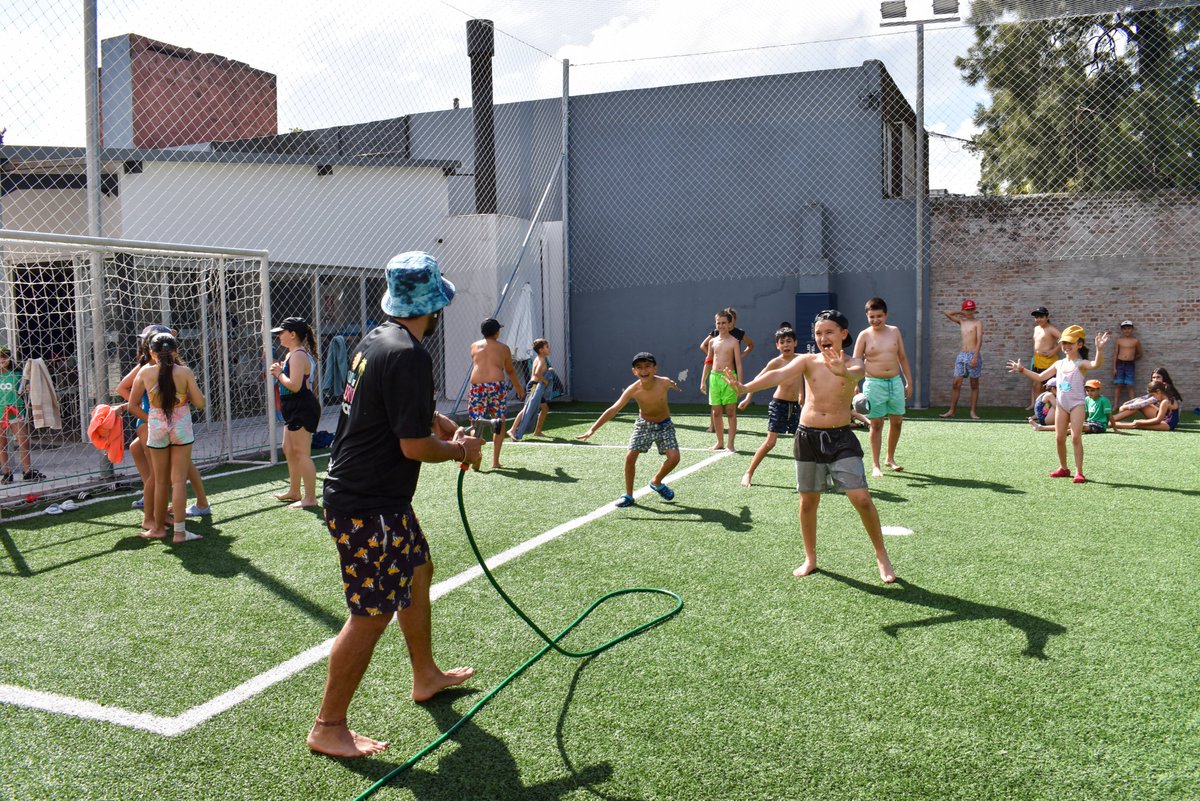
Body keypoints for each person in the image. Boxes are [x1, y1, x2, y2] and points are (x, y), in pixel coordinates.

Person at [309, 250, 483, 759]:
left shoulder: (378, 339)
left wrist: (444, 425)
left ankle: (425, 674)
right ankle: (328, 725)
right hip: (369, 505)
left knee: (419, 569)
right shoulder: (410, 353)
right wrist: (459, 449)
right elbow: (412, 447)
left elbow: (407, 410)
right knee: (370, 613)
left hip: (375, 499)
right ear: (435, 305)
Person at [724, 310, 896, 584]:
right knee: (808, 501)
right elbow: (778, 374)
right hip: (807, 437)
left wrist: (843, 372)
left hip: (840, 438)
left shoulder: (855, 364)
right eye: (818, 333)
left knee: (861, 499)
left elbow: (853, 377)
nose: (823, 337)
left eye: (829, 332)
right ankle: (810, 558)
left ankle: (881, 554)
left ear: (843, 334)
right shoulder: (807, 361)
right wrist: (747, 388)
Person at [116, 326, 212, 528]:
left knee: (161, 478)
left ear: (151, 349)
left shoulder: (147, 371)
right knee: (169, 479)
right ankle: (167, 524)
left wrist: (151, 416)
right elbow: (201, 403)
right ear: (175, 350)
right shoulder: (179, 371)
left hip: (156, 426)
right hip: (171, 426)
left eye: (146, 341)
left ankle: (158, 521)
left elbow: (130, 399)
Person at [576, 352, 682, 508]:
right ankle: (629, 496)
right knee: (630, 457)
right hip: (644, 425)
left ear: (655, 368)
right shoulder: (633, 389)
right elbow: (613, 409)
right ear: (634, 371)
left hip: (665, 425)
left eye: (647, 366)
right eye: (639, 367)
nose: (643, 370)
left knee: (674, 458)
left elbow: (673, 385)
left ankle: (656, 481)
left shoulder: (664, 382)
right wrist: (593, 429)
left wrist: (675, 386)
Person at [1008, 325, 1109, 483]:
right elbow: (1040, 377)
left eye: (1070, 343)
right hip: (1061, 405)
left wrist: (1100, 349)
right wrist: (1022, 370)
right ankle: (1063, 468)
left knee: (1076, 437)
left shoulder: (1081, 364)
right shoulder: (1059, 364)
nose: (1066, 346)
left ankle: (1079, 472)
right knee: (1059, 438)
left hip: (1076, 405)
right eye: (1064, 343)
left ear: (1079, 345)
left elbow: (1096, 364)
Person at [853, 297, 912, 477]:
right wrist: (855, 384)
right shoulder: (864, 335)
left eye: (879, 316)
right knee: (876, 424)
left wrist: (908, 381)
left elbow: (902, 357)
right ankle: (876, 465)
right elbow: (856, 361)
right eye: (872, 316)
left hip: (895, 382)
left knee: (897, 421)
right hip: (873, 383)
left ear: (886, 315)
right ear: (867, 316)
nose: (876, 320)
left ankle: (890, 458)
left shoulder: (894, 331)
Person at [739, 326, 802, 487]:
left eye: (789, 341)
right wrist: (747, 397)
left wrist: (802, 395)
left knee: (803, 442)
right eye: (782, 342)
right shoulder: (776, 362)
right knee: (770, 442)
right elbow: (757, 379)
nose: (786, 345)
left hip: (796, 406)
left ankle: (811, 477)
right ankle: (749, 472)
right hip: (779, 404)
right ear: (777, 345)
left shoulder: (802, 359)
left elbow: (803, 378)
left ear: (795, 342)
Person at [269, 317, 321, 509]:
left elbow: (296, 386)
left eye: (281, 333)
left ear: (292, 335)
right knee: (288, 449)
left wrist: (278, 373)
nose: (279, 336)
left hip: (302, 407)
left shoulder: (298, 354)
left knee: (301, 453)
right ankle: (294, 491)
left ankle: (310, 498)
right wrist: (282, 371)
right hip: (293, 407)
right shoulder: (292, 354)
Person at [467, 318, 524, 469]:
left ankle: (476, 456)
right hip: (495, 385)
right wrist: (518, 387)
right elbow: (510, 370)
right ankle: (495, 462)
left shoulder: (473, 346)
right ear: (497, 332)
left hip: (477, 385)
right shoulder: (504, 348)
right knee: (499, 421)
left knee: (476, 423)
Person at [0, 345, 47, 483]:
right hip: (0, 412)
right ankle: (6, 473)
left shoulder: (18, 374)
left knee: (23, 441)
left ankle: (27, 471)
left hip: (16, 410)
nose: (2, 360)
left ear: (9, 358)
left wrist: (28, 388)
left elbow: (25, 389)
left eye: (4, 357)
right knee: (2, 444)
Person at [700, 309, 744, 451]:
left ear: (729, 323)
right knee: (716, 412)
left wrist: (740, 384)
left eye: (724, 323)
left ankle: (730, 444)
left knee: (731, 411)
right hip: (714, 378)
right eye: (718, 323)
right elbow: (708, 361)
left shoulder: (734, 342)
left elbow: (738, 364)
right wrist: (703, 381)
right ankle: (720, 442)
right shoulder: (712, 342)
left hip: (729, 378)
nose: (721, 325)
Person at [940, 299, 983, 419]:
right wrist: (960, 312)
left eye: (971, 309)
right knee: (955, 384)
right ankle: (951, 411)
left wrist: (975, 356)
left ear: (974, 310)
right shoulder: (961, 321)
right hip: (962, 355)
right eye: (967, 309)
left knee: (974, 384)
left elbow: (979, 340)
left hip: (973, 355)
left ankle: (973, 412)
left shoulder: (977, 322)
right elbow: (946, 312)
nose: (969, 311)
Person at [507, 338, 553, 439]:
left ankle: (538, 431)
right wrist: (545, 381)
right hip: (534, 387)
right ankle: (513, 429)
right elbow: (537, 373)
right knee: (526, 409)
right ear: (541, 350)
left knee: (545, 409)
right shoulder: (541, 360)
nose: (549, 349)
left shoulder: (540, 359)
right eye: (547, 347)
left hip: (537, 388)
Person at [1029, 379, 1111, 434]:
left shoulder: (1103, 400)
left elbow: (1109, 416)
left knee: (1078, 425)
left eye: (1092, 390)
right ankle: (1045, 428)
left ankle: (1042, 428)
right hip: (1047, 419)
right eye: (1060, 389)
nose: (1089, 393)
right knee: (1073, 422)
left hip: (1098, 425)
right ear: (1054, 389)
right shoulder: (1050, 395)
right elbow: (1058, 408)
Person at [1027, 307, 1061, 411]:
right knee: (1035, 385)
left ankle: (1050, 408)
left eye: (1041, 317)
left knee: (1049, 386)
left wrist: (1054, 351)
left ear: (1047, 317)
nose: (1038, 319)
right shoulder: (1036, 328)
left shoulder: (1051, 329)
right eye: (1036, 317)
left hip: (1048, 362)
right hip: (1037, 360)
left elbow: (1064, 339)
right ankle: (1035, 405)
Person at [1114, 380, 1180, 432]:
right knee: (1138, 419)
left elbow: (1158, 420)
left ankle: (1112, 424)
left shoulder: (1165, 402)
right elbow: (1142, 400)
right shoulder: (1168, 398)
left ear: (1158, 391)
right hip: (1165, 421)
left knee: (1136, 425)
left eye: (1154, 395)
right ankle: (1113, 419)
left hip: (1167, 425)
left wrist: (1141, 422)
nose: (1154, 397)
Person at [1111, 320, 1144, 407]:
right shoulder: (1119, 341)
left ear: (1132, 329)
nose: (1127, 331)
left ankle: (1133, 405)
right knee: (1118, 384)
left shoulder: (1135, 341)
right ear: (1122, 330)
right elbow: (1115, 354)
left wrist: (1132, 358)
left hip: (1130, 364)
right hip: (1120, 364)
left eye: (1129, 328)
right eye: (1125, 329)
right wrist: (1114, 367)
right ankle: (1115, 405)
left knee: (1130, 384)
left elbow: (1140, 353)